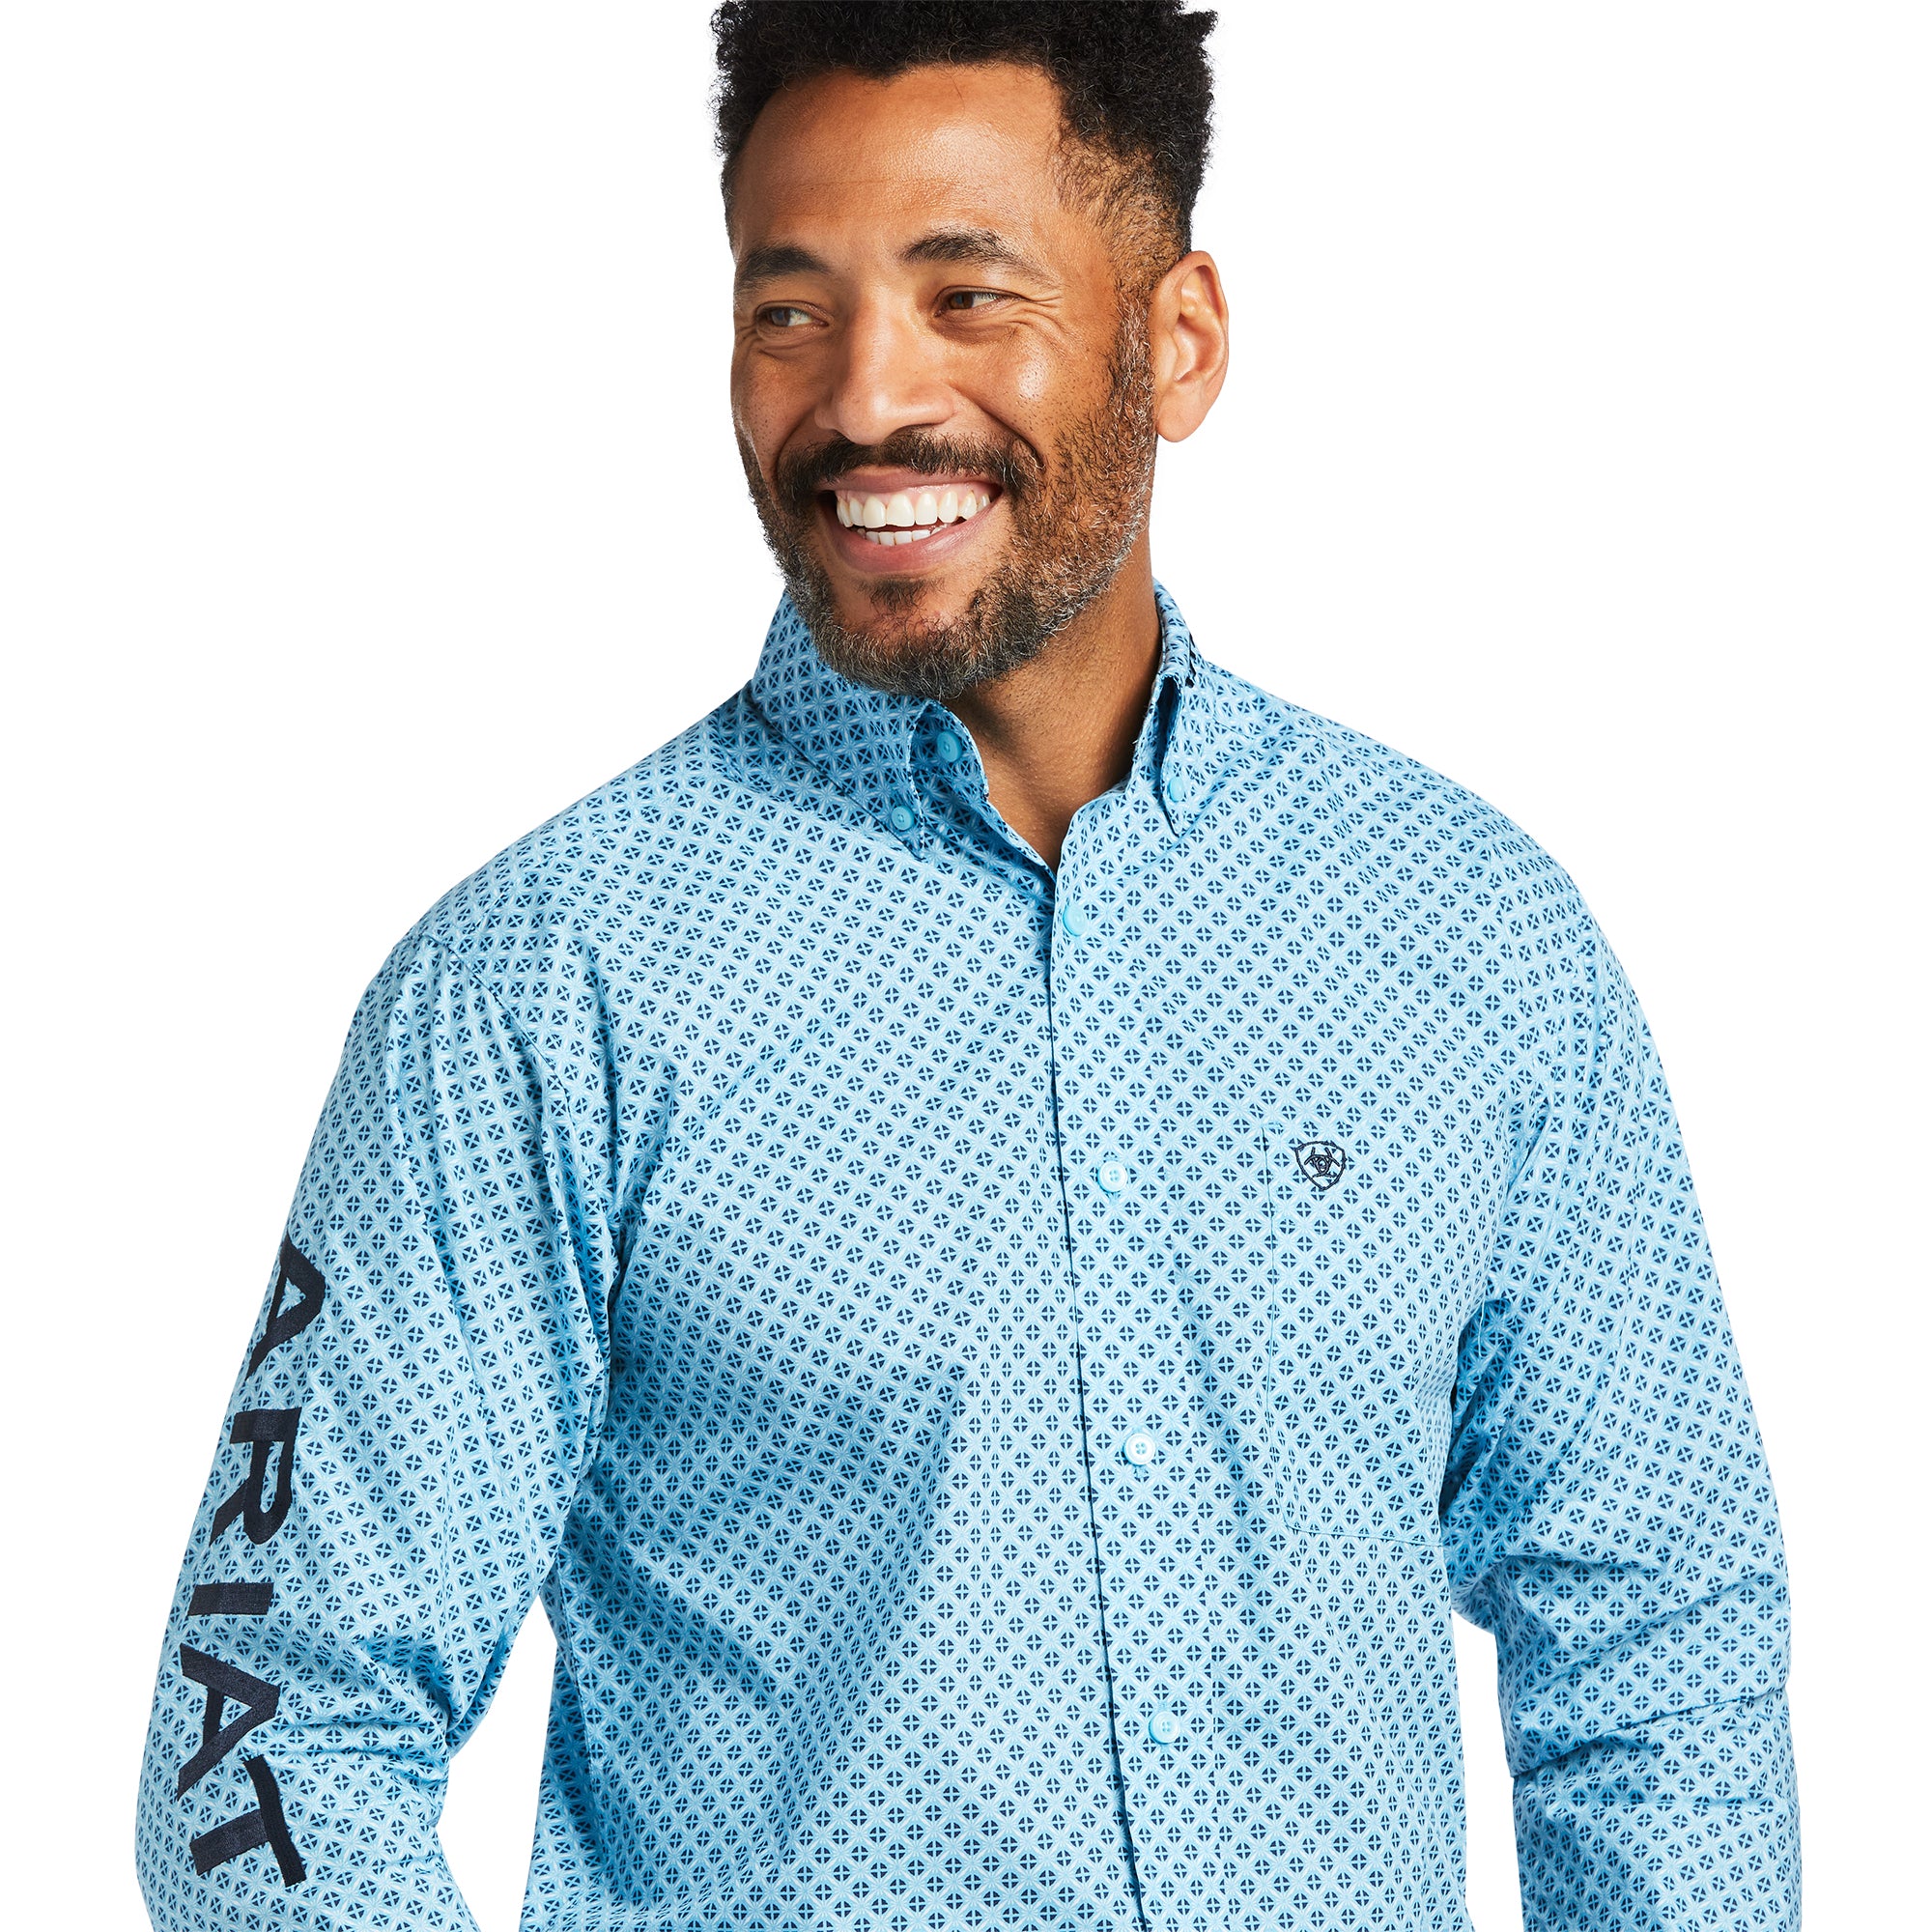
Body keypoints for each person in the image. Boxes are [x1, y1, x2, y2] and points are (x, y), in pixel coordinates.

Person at [135, 5, 1800, 1928]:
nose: (864, 399)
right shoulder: (538, 987)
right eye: (789, 310)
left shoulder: (1470, 934)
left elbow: (1657, 1647)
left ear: (1177, 340)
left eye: (964, 295)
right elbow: (268, 1740)